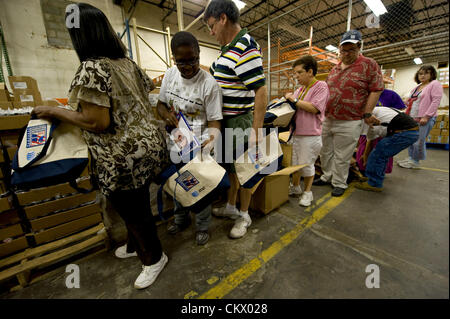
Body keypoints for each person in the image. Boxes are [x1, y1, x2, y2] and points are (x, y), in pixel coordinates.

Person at [32, 3, 169, 290]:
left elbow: (97, 122)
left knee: (133, 210)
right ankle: (134, 246)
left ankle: (153, 258)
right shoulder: (127, 64)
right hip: (148, 146)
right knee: (139, 201)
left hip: (122, 155)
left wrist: (54, 111)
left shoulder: (92, 67)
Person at [204, 0, 267, 239]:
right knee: (231, 169)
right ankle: (231, 207)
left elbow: (260, 91)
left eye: (212, 26)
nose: (211, 32)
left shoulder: (245, 46)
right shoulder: (227, 49)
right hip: (226, 122)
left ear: (223, 18)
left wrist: (256, 130)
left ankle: (244, 215)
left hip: (240, 121)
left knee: (245, 171)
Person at [156, 31, 223, 245]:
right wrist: (167, 116)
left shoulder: (209, 84)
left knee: (198, 189)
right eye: (181, 61)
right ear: (173, 58)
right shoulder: (169, 75)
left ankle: (202, 226)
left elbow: (214, 121)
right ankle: (180, 219)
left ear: (199, 55)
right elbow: (160, 105)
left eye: (193, 60)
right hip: (175, 142)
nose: (187, 66)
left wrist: (210, 143)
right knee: (179, 185)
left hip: (198, 147)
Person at [313, 30, 384, 197]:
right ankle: (326, 176)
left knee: (342, 154)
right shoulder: (335, 68)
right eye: (343, 50)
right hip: (328, 117)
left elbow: (376, 89)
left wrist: (367, 113)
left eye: (351, 50)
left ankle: (339, 182)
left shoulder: (369, 64)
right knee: (325, 151)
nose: (346, 54)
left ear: (359, 47)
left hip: (350, 119)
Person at [284, 55, 329, 207]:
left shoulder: (321, 86)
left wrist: (293, 100)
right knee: (296, 163)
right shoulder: (300, 90)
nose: (296, 76)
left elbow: (315, 108)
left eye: (299, 73)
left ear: (310, 71)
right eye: (294, 73)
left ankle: (307, 193)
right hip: (296, 133)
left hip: (310, 135)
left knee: (307, 164)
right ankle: (296, 187)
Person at [355, 107, 419, 191]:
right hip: (411, 132)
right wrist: (366, 155)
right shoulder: (375, 110)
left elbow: (368, 140)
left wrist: (366, 156)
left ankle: (374, 183)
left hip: (403, 133)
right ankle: (374, 179)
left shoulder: (367, 118)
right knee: (381, 154)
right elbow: (370, 140)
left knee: (378, 155)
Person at [398, 65, 443, 169]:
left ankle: (416, 161)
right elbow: (411, 101)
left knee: (419, 140)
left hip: (423, 118)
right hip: (412, 117)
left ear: (432, 74)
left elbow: (436, 101)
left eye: (426, 73)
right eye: (420, 73)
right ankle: (411, 158)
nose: (422, 76)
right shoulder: (417, 87)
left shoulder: (434, 84)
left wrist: (427, 116)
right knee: (411, 138)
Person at [356, 89, 406, 174]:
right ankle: (363, 168)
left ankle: (378, 173)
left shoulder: (391, 94)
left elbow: (399, 112)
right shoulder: (362, 93)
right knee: (364, 147)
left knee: (380, 151)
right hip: (366, 126)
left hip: (384, 129)